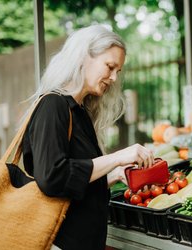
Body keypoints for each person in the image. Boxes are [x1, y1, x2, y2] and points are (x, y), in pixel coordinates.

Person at [21, 24, 154, 250]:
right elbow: (52, 177)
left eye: (117, 71)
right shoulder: (53, 105)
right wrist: (117, 158)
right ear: (83, 57)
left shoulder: (79, 111)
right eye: (110, 66)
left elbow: (74, 177)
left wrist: (111, 176)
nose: (113, 78)